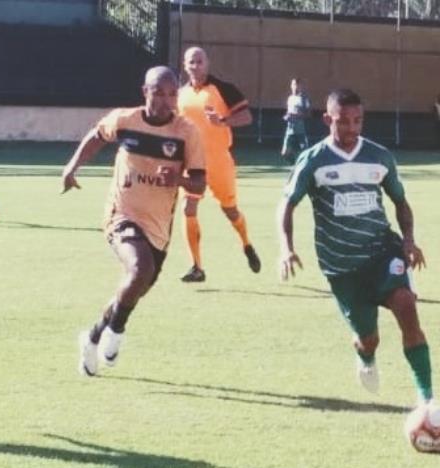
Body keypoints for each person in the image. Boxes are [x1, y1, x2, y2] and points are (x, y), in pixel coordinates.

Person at [278, 88, 440, 411]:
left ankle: (427, 399)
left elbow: (400, 202)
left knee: (406, 306)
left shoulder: (379, 156)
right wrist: (286, 248)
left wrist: (408, 239)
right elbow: (286, 205)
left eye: (358, 121)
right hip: (342, 267)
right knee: (369, 338)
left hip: (382, 251)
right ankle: (365, 354)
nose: (352, 129)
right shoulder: (313, 161)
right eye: (344, 122)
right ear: (328, 119)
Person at [61, 66, 206, 376]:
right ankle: (116, 331)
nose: (166, 101)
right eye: (159, 93)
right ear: (145, 92)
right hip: (121, 215)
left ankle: (92, 337)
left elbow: (199, 185)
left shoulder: (187, 132)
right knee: (140, 269)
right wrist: (72, 167)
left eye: (171, 94)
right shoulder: (125, 120)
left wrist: (178, 179)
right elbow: (96, 136)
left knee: (135, 286)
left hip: (158, 228)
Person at [177, 46, 261, 282]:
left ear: (208, 63)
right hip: (192, 163)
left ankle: (246, 244)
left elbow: (246, 117)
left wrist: (223, 120)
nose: (195, 66)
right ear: (185, 65)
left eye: (199, 61)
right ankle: (197, 267)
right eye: (191, 62)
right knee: (188, 208)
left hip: (219, 162)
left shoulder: (223, 89)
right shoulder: (180, 94)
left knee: (230, 210)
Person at [281, 77, 311, 165]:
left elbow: (309, 114)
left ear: (300, 86)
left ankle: (306, 167)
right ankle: (293, 164)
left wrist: (297, 116)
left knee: (306, 153)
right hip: (290, 129)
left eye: (297, 85)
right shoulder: (290, 98)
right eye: (293, 84)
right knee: (284, 153)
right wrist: (287, 116)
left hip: (300, 129)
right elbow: (289, 112)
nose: (295, 87)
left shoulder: (303, 98)